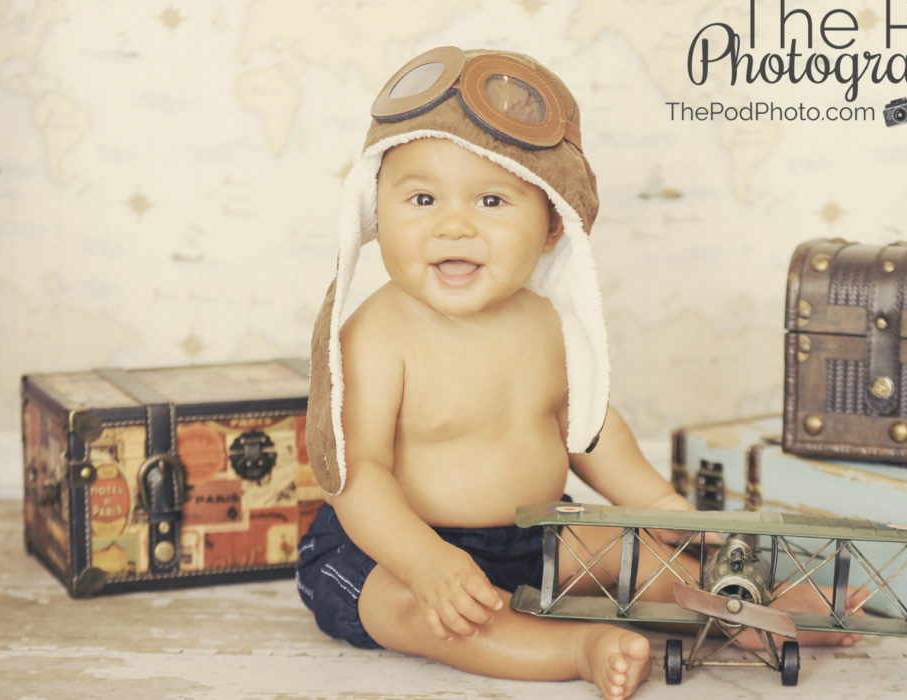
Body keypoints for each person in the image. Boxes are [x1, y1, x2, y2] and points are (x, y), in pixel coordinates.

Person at [296, 47, 856, 700]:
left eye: (491, 199)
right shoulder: (375, 336)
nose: (453, 225)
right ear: (374, 211)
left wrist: (659, 505)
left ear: (553, 225)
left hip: (537, 531)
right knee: (425, 616)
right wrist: (426, 563)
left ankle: (748, 614)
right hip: (394, 548)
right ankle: (576, 649)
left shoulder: (546, 322)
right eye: (422, 198)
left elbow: (586, 428)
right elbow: (354, 474)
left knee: (649, 556)